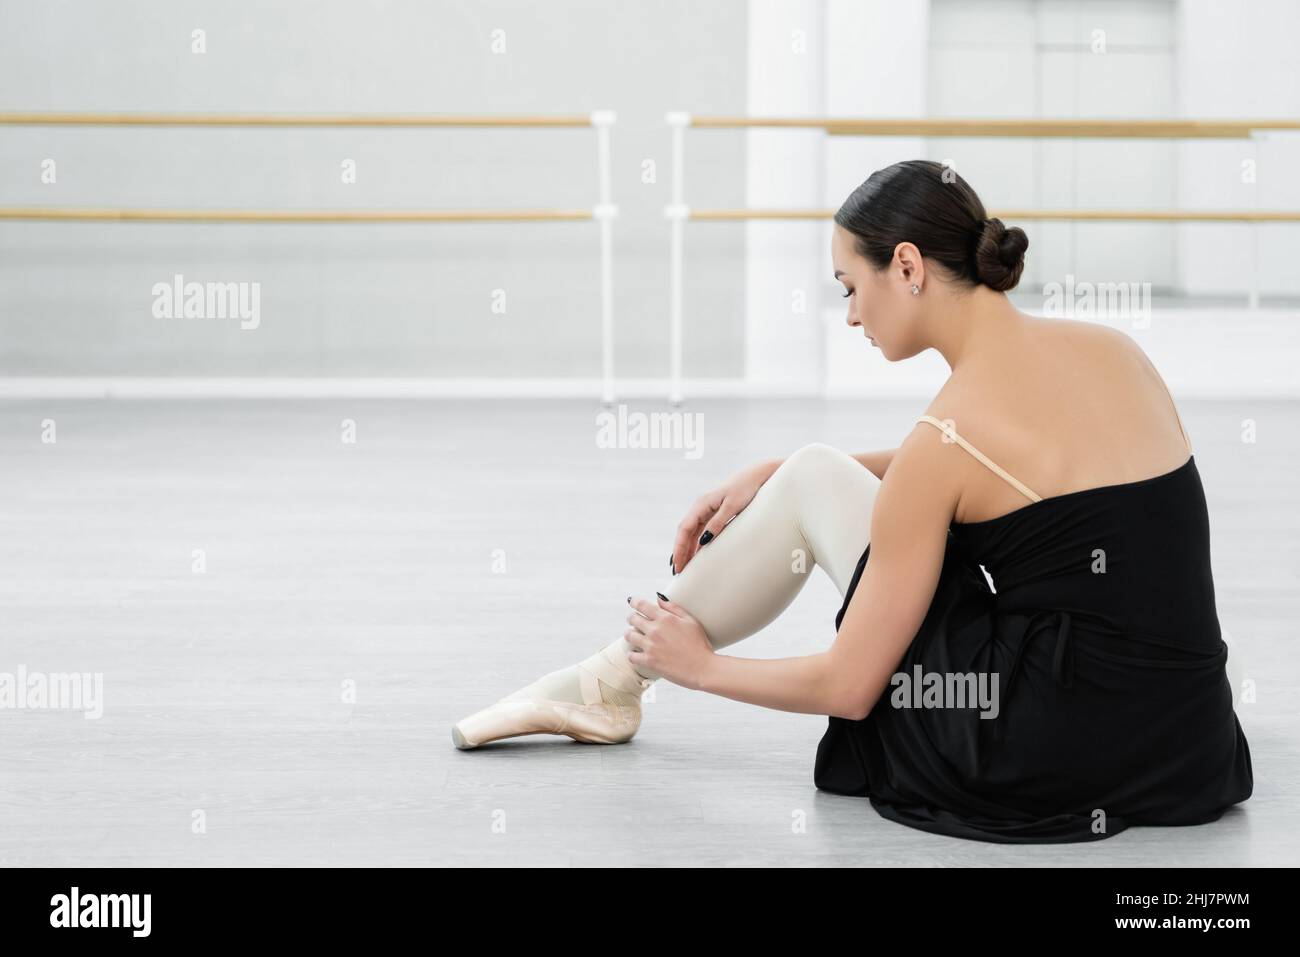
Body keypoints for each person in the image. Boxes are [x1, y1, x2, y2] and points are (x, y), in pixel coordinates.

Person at [452, 159, 1253, 843]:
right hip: (1186, 743)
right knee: (809, 470)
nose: (851, 315)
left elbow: (850, 685)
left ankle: (614, 682)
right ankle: (609, 681)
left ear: (907, 266)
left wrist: (701, 668)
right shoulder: (1118, 353)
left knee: (813, 478)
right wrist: (783, 466)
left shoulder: (947, 439)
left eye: (851, 285)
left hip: (1040, 750)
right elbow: (1009, 469)